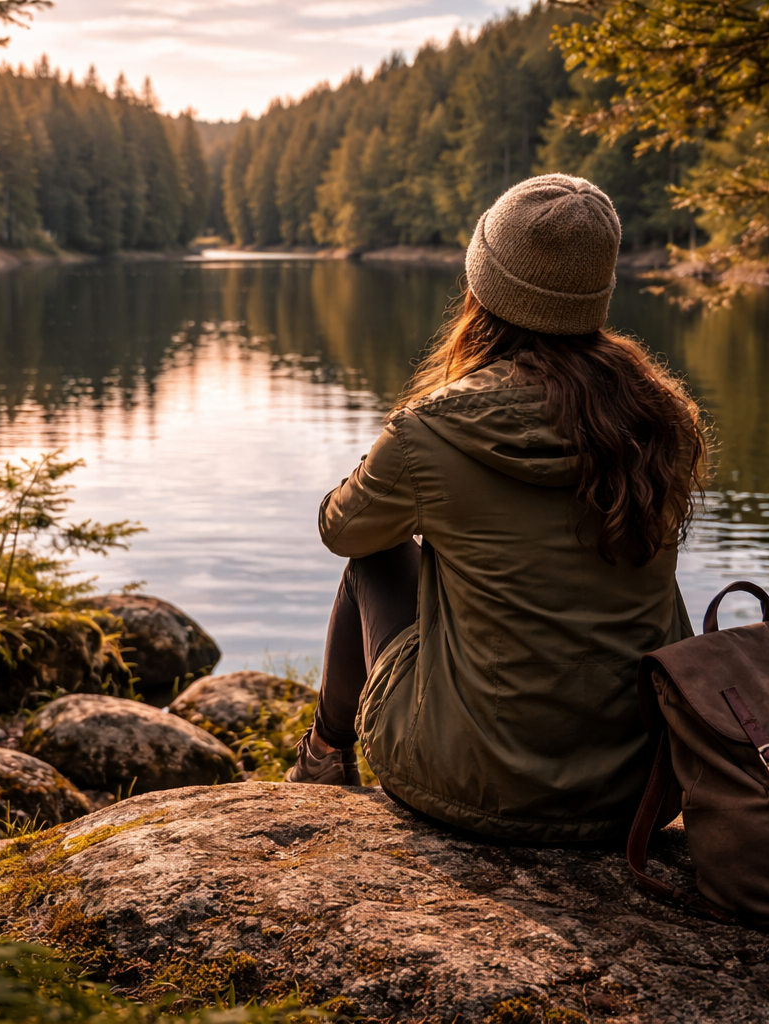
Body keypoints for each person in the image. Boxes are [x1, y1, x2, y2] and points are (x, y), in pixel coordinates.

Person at [285, 174, 709, 844]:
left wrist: (394, 472)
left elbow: (343, 528)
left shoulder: (433, 429)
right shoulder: (663, 419)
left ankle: (322, 759)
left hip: (471, 781)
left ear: (483, 287)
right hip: (639, 788)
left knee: (377, 556)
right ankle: (324, 757)